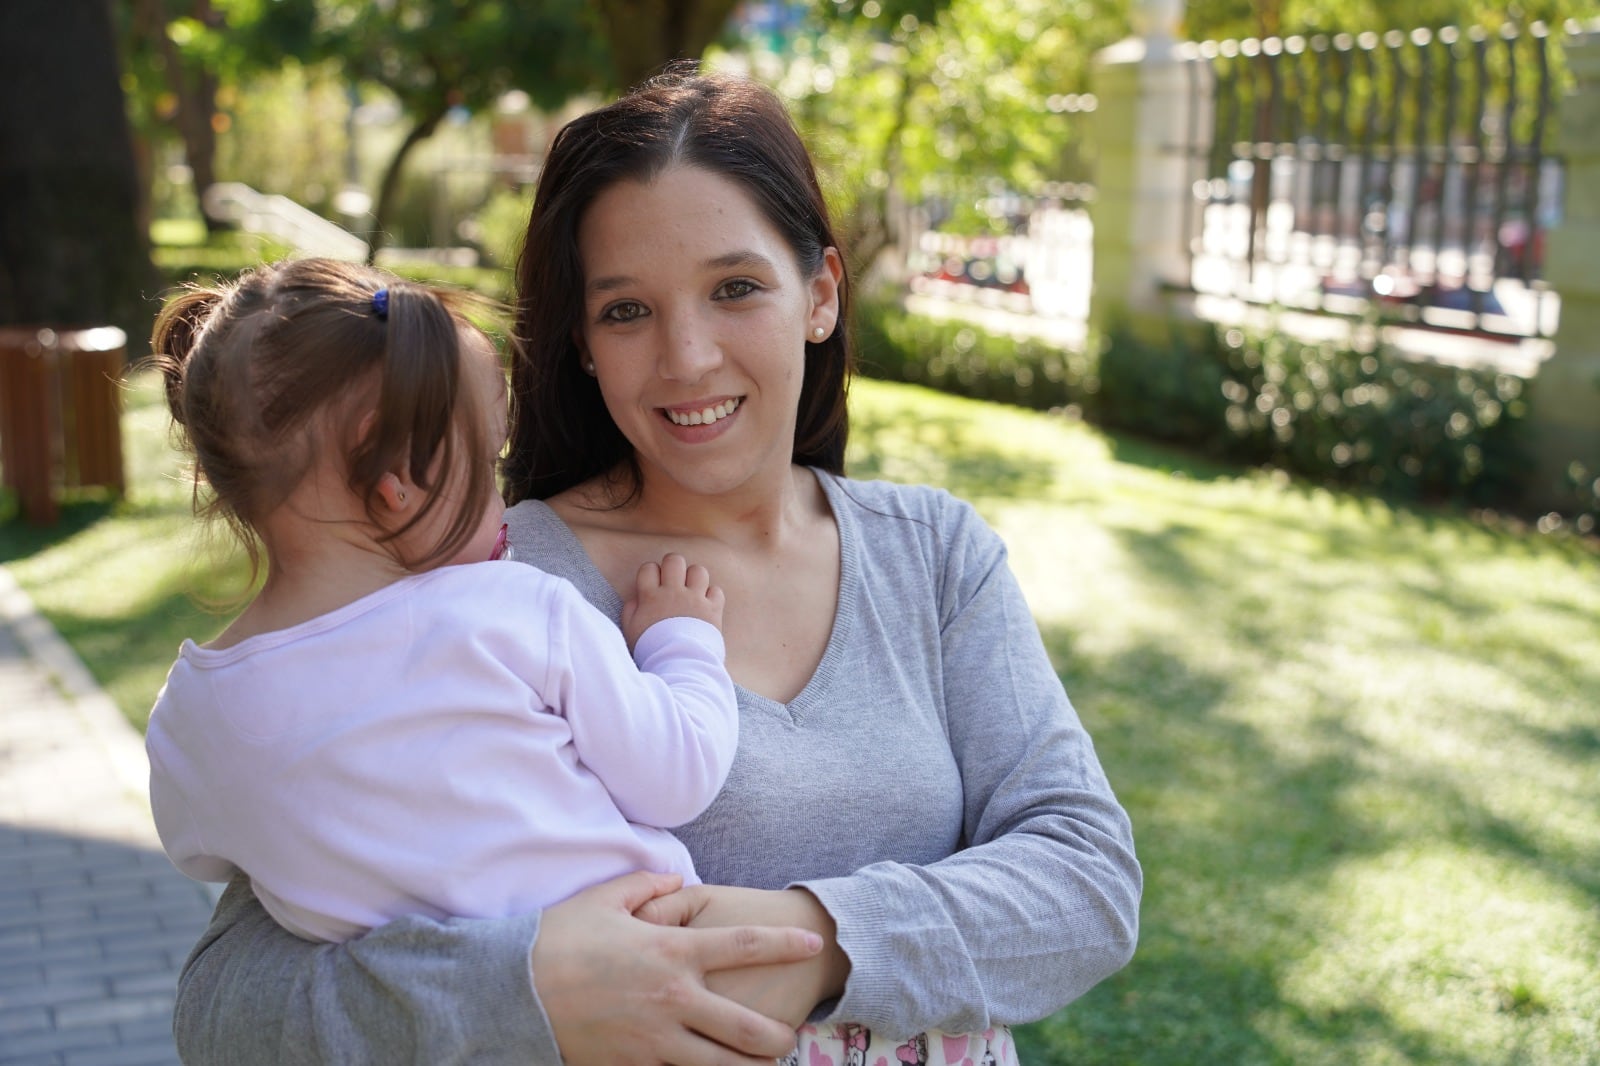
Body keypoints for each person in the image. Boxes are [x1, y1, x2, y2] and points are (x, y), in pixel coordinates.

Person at [170, 67, 1142, 1066]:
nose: (685, 357)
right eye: (626, 311)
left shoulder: (934, 555)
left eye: (735, 289)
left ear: (819, 295)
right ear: (583, 344)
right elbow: (225, 1005)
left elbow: (1088, 880)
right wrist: (525, 988)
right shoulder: (476, 589)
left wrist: (819, 944)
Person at [144, 256, 742, 944]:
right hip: (660, 978)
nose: (503, 509)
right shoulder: (508, 611)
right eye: (486, 467)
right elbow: (677, 775)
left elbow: (203, 855)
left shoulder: (191, 719)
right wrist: (681, 638)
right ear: (397, 477)